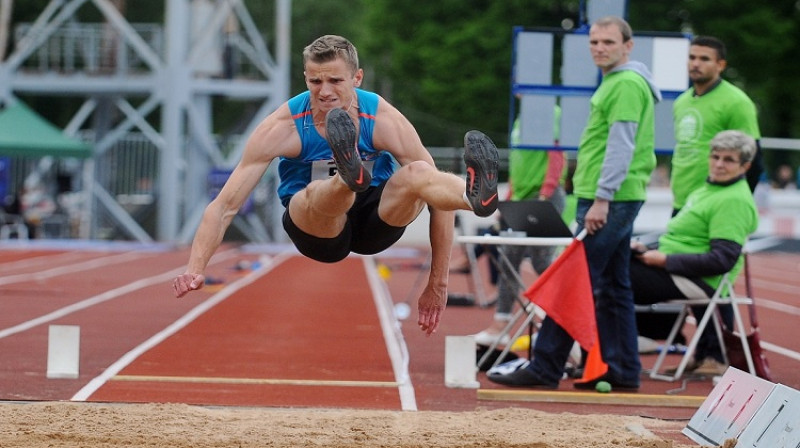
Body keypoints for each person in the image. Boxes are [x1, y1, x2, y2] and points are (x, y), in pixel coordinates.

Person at [172, 35, 500, 336]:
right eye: (315, 81)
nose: (324, 91)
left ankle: (474, 198)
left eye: (335, 80)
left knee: (418, 172)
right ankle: (346, 175)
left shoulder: (383, 119)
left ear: (357, 79)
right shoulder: (283, 126)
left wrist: (438, 283)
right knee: (311, 195)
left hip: (377, 219)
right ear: (305, 79)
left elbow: (435, 201)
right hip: (318, 229)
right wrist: (195, 268)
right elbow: (225, 205)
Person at [487, 16, 661, 390]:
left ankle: (546, 366)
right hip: (617, 196)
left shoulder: (626, 84)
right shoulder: (620, 82)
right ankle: (622, 370)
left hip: (608, 199)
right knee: (615, 287)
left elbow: (621, 145)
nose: (599, 47)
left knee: (572, 282)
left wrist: (602, 199)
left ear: (627, 46)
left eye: (608, 42)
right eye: (594, 42)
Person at [631, 130, 759, 375]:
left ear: (745, 166)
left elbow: (721, 260)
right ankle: (704, 353)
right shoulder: (708, 189)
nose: (719, 164)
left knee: (613, 277)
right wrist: (648, 251)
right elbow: (687, 240)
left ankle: (620, 360)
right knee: (612, 266)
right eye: (716, 156)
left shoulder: (733, 201)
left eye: (728, 160)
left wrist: (665, 260)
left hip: (699, 280)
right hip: (678, 271)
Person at [472, 107, 567, 346]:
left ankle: (561, 319)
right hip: (521, 198)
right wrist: (510, 197)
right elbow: (519, 161)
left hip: (542, 196)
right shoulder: (521, 118)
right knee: (508, 258)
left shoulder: (547, 111)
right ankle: (500, 324)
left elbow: (556, 154)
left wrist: (546, 192)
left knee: (541, 261)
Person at [671, 36, 763, 214]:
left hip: (717, 204)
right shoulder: (681, 102)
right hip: (682, 202)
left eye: (704, 59)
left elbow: (754, 159)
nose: (696, 64)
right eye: (692, 58)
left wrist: (737, 203)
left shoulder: (736, 102)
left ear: (720, 65)